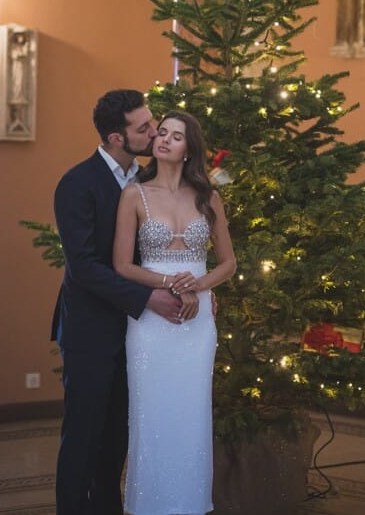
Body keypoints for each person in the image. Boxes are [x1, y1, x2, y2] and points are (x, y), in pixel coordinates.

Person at [52, 89, 183, 515]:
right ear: (115, 138)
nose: (153, 132)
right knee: (83, 438)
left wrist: (192, 288)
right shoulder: (76, 183)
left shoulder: (148, 181)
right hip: (89, 330)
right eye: (142, 127)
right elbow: (85, 267)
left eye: (152, 123)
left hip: (136, 333)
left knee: (117, 440)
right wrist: (148, 298)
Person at [114, 110, 236, 515]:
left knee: (191, 415)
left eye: (175, 136)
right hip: (150, 323)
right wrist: (169, 284)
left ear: (189, 149)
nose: (164, 139)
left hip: (197, 323)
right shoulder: (135, 194)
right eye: (160, 132)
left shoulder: (208, 196)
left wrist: (199, 287)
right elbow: (122, 266)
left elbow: (228, 263)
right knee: (150, 417)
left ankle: (189, 506)